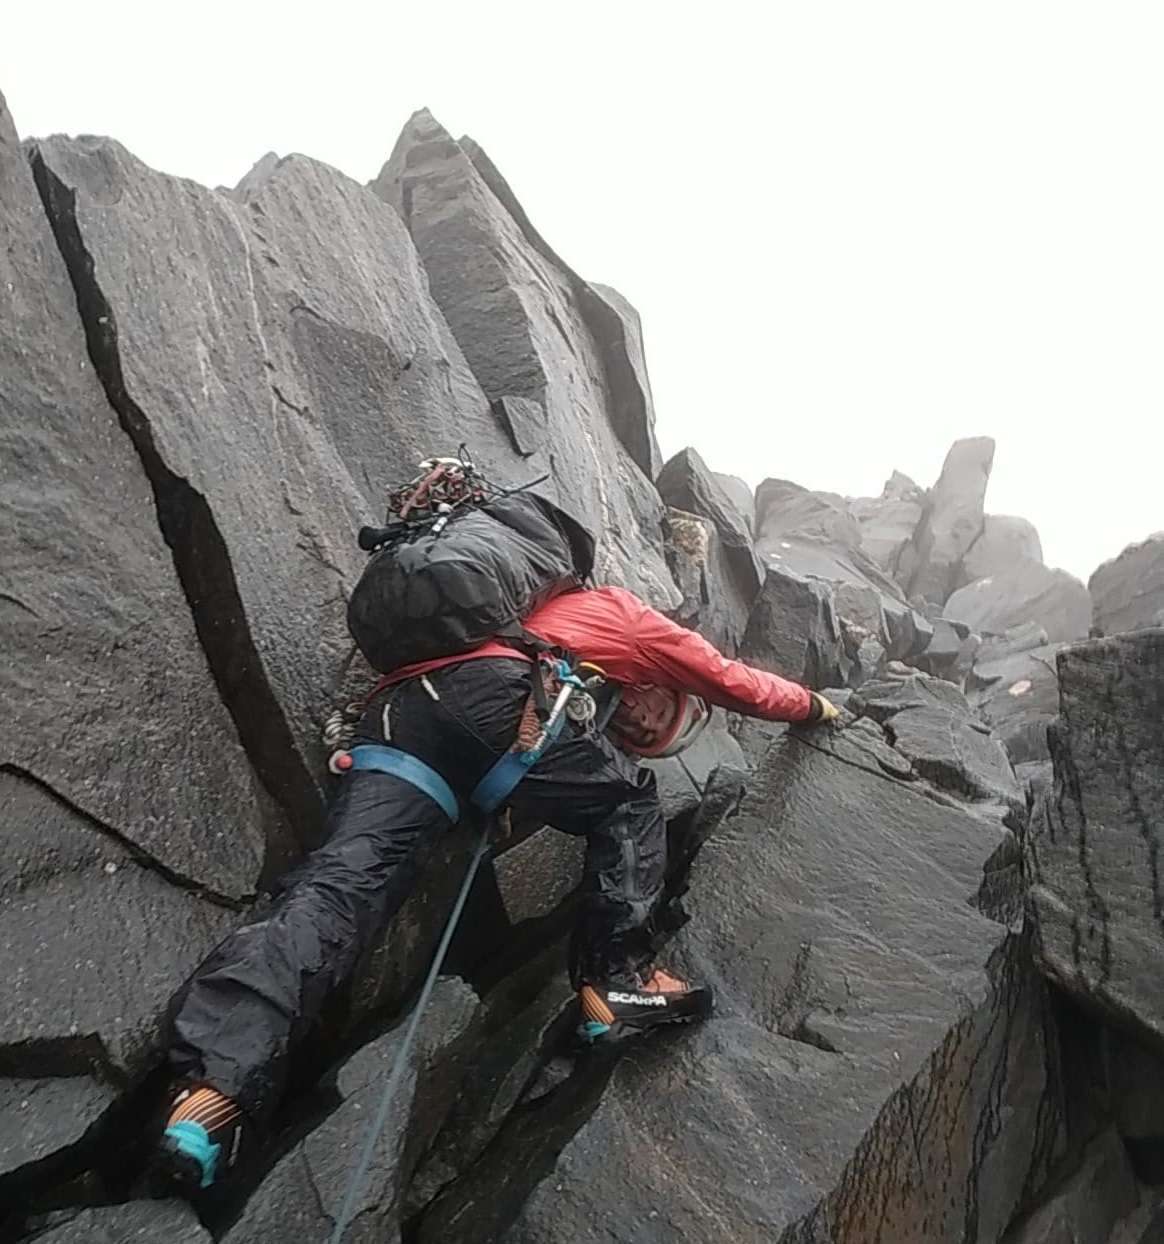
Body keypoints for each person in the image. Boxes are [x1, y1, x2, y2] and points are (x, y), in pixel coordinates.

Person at [155, 473, 840, 1194]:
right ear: (659, 685)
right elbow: (734, 680)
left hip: (396, 718)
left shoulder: (504, 610)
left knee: (334, 890)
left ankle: (211, 1093)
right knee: (627, 799)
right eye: (656, 718)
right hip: (496, 703)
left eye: (651, 738)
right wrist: (816, 708)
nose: (641, 731)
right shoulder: (617, 613)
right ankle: (621, 979)